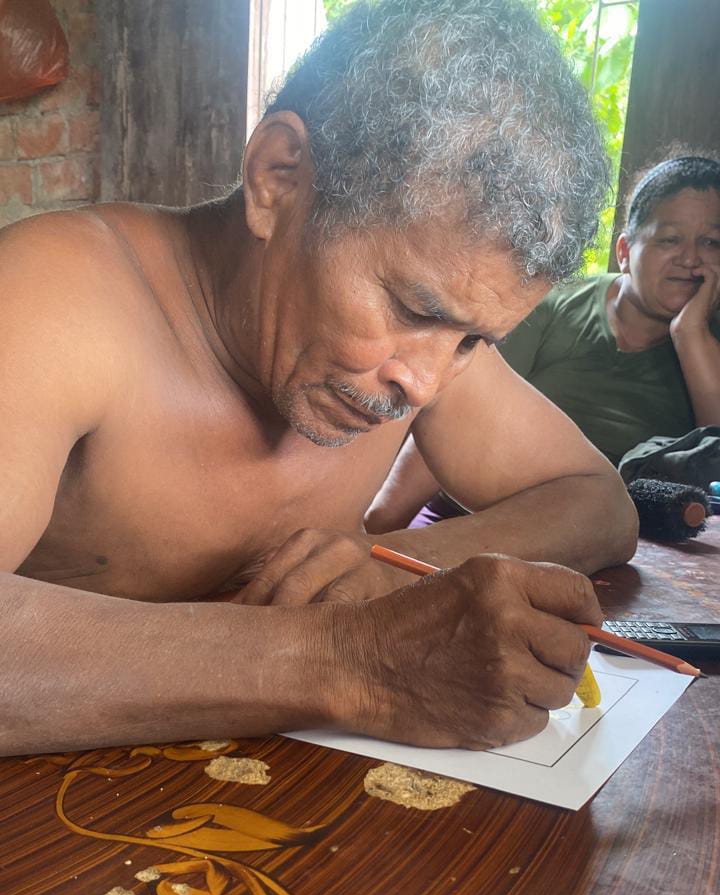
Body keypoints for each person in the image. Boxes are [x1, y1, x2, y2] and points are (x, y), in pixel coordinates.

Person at [0, 0, 637, 758]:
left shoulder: (422, 344)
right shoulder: (53, 299)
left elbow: (597, 502)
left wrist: (402, 575)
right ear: (279, 177)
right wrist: (349, 659)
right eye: (412, 308)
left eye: (474, 340)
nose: (426, 384)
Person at [367, 154, 720, 530]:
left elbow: (713, 458)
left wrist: (690, 335)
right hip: (462, 515)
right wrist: (380, 523)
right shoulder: (551, 303)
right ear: (624, 252)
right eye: (670, 240)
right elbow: (453, 401)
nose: (690, 259)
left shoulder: (708, 344)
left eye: (711, 242)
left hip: (598, 534)